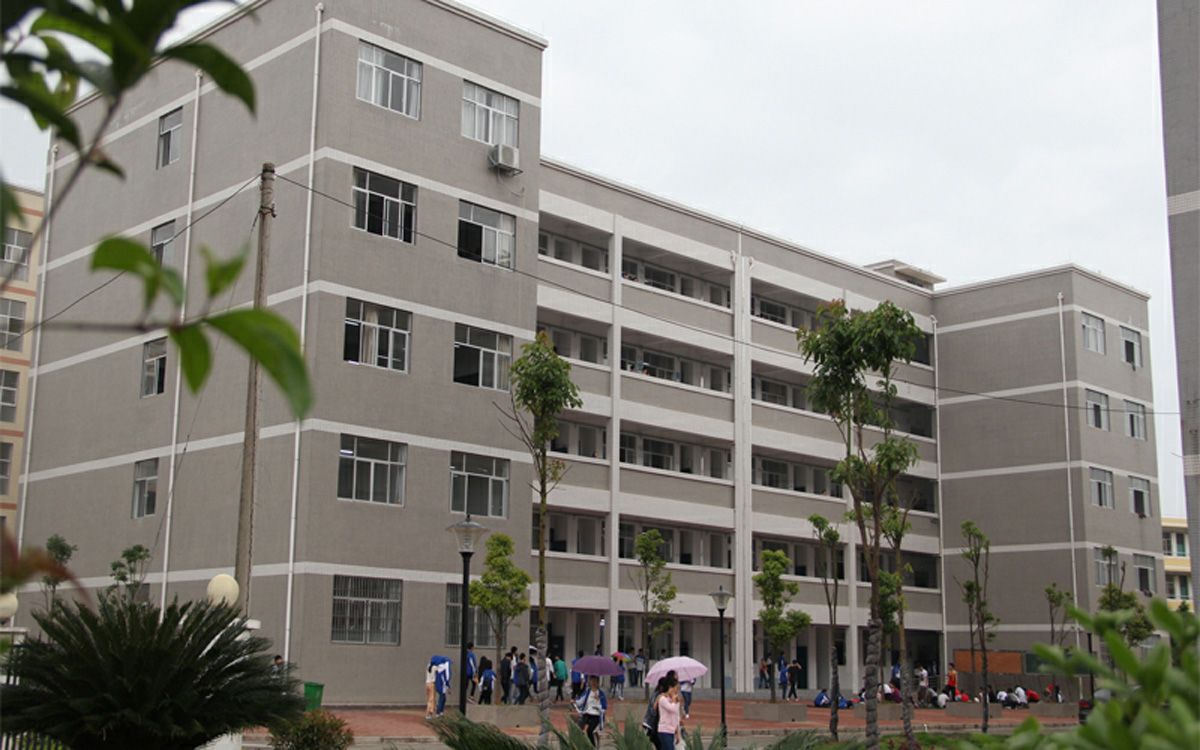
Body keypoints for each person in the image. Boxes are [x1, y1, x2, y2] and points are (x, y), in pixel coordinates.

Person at [575, 674, 608, 746]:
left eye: (595, 681)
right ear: (590, 681)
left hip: (595, 715)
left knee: (589, 731)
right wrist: (575, 701)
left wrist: (598, 700)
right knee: (580, 729)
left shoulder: (601, 694)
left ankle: (593, 746)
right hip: (587, 713)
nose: (594, 683)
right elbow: (580, 701)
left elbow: (603, 707)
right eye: (592, 681)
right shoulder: (587, 692)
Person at [655, 676, 683, 750]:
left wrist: (677, 732)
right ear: (671, 688)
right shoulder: (663, 699)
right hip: (664, 730)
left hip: (671, 730)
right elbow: (672, 709)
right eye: (676, 688)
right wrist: (673, 699)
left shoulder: (674, 700)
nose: (677, 691)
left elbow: (676, 716)